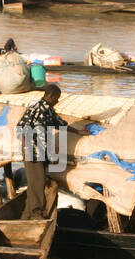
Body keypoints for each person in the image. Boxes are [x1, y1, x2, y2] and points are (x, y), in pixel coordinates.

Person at [17, 83, 85, 220]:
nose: (57, 101)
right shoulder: (36, 108)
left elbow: (59, 123)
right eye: (57, 98)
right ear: (50, 96)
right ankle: (36, 213)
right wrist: (26, 149)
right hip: (32, 151)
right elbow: (21, 127)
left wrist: (78, 131)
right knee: (38, 183)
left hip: (41, 152)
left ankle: (27, 214)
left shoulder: (48, 110)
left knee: (35, 184)